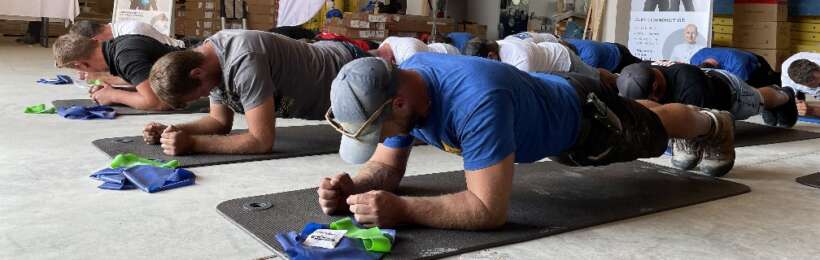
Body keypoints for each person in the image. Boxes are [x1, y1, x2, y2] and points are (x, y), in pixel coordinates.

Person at [316, 55, 735, 229]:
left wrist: (402, 209)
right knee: (641, 111)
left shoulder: (476, 102)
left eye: (379, 130)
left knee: (654, 125)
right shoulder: (404, 82)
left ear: (400, 103)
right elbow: (388, 168)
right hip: (548, 98)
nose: (383, 138)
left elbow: (486, 210)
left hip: (586, 124)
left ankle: (711, 125)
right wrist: (358, 186)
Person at [142, 30, 365, 155]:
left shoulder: (243, 61)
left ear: (196, 74)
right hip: (329, 85)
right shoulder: (210, 63)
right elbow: (218, 122)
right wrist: (172, 131)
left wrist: (192, 144)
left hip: (354, 73)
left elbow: (261, 141)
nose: (204, 96)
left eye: (198, 94)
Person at [617, 61, 797, 131]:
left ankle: (785, 96)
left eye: (652, 98)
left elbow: (701, 125)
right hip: (705, 77)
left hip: (732, 93)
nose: (653, 103)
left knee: (759, 100)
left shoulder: (691, 88)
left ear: (655, 85)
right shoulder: (639, 71)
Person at [53, 33, 183, 110]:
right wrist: (113, 91)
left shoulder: (125, 57)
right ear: (94, 41)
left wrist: (114, 95)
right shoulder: (117, 46)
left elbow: (157, 102)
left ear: (80, 64)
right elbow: (148, 84)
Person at [471, 39, 602, 81]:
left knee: (595, 77)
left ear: (491, 55)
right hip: (547, 60)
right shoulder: (497, 45)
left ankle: (617, 80)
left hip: (562, 59)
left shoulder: (520, 61)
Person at [691, 47, 780, 88]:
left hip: (757, 65)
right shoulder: (695, 59)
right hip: (739, 61)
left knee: (771, 84)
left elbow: (740, 88)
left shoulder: (736, 64)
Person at [566, 39, 643, 73]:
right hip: (612, 49)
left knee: (641, 69)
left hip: (620, 58)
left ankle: (654, 66)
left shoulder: (589, 56)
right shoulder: (567, 42)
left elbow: (590, 75)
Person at [782, 53, 820, 118]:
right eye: (819, 84)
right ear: (803, 85)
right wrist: (796, 104)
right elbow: (787, 96)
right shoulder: (787, 75)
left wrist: (812, 111)